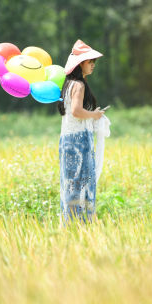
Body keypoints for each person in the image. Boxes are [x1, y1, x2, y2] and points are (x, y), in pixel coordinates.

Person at [57, 39, 106, 223]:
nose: (92, 65)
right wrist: (94, 115)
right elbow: (77, 111)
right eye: (89, 61)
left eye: (94, 62)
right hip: (78, 143)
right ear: (80, 64)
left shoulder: (69, 83)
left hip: (68, 141)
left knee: (70, 185)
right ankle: (82, 225)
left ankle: (71, 224)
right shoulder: (78, 85)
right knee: (82, 185)